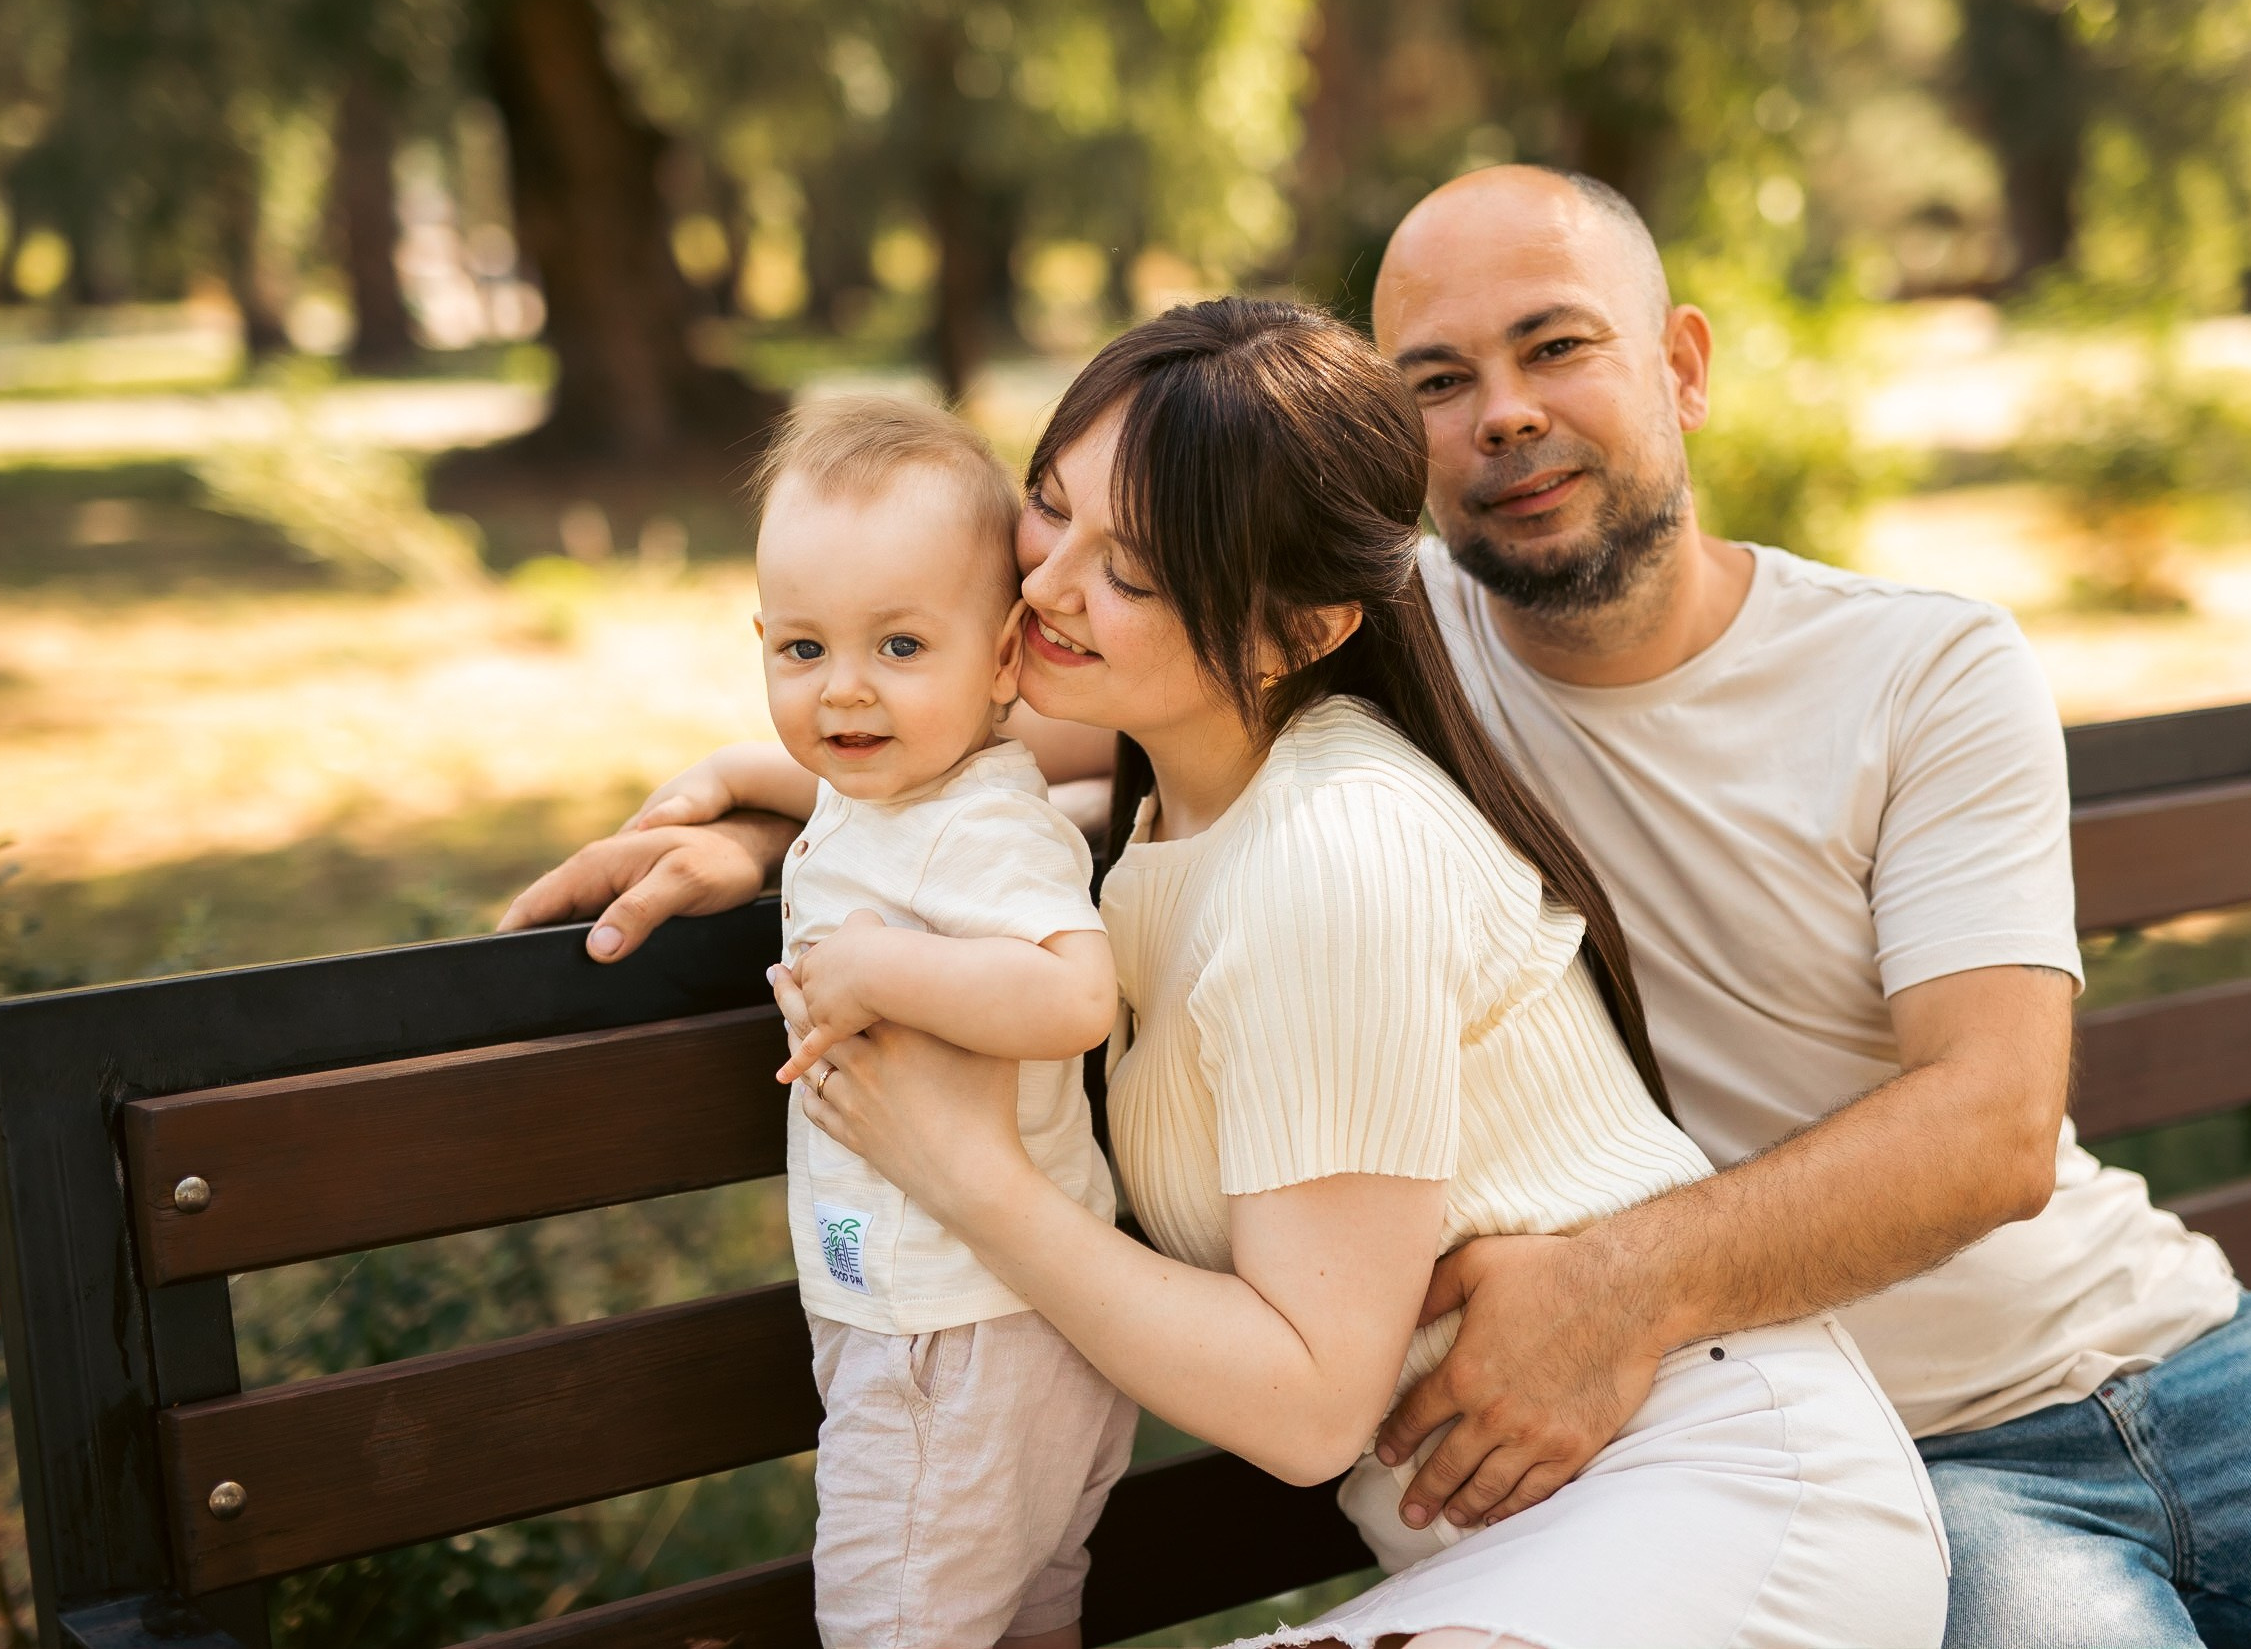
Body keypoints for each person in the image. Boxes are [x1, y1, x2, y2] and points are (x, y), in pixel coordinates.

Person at [507, 166, 2251, 1646]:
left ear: (1679, 363)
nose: (1500, 415)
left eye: (1553, 346)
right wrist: (781, 824)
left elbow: (1993, 1127)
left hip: (2083, 1357)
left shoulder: (1886, 672)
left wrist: (1615, 1284)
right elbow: (992, 725)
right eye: (1437, 378)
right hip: (1791, 1480)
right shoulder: (1358, 692)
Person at [620, 300, 1949, 1648]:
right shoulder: (1180, 804)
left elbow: (1312, 1408)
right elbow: (963, 802)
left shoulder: (1334, 851)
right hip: (1531, 1554)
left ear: (1298, 630)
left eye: (1133, 572)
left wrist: (967, 1175)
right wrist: (763, 814)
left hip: (1709, 1515)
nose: (1046, 587)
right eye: (1050, 507)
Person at [675, 394, 1135, 1649]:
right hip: (986, 1320)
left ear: (1005, 658)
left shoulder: (981, 831)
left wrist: (883, 969)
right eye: (803, 650)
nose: (845, 693)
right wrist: (732, 776)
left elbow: (1074, 996)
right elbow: (844, 784)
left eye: (899, 646)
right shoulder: (899, 790)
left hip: (946, 1339)